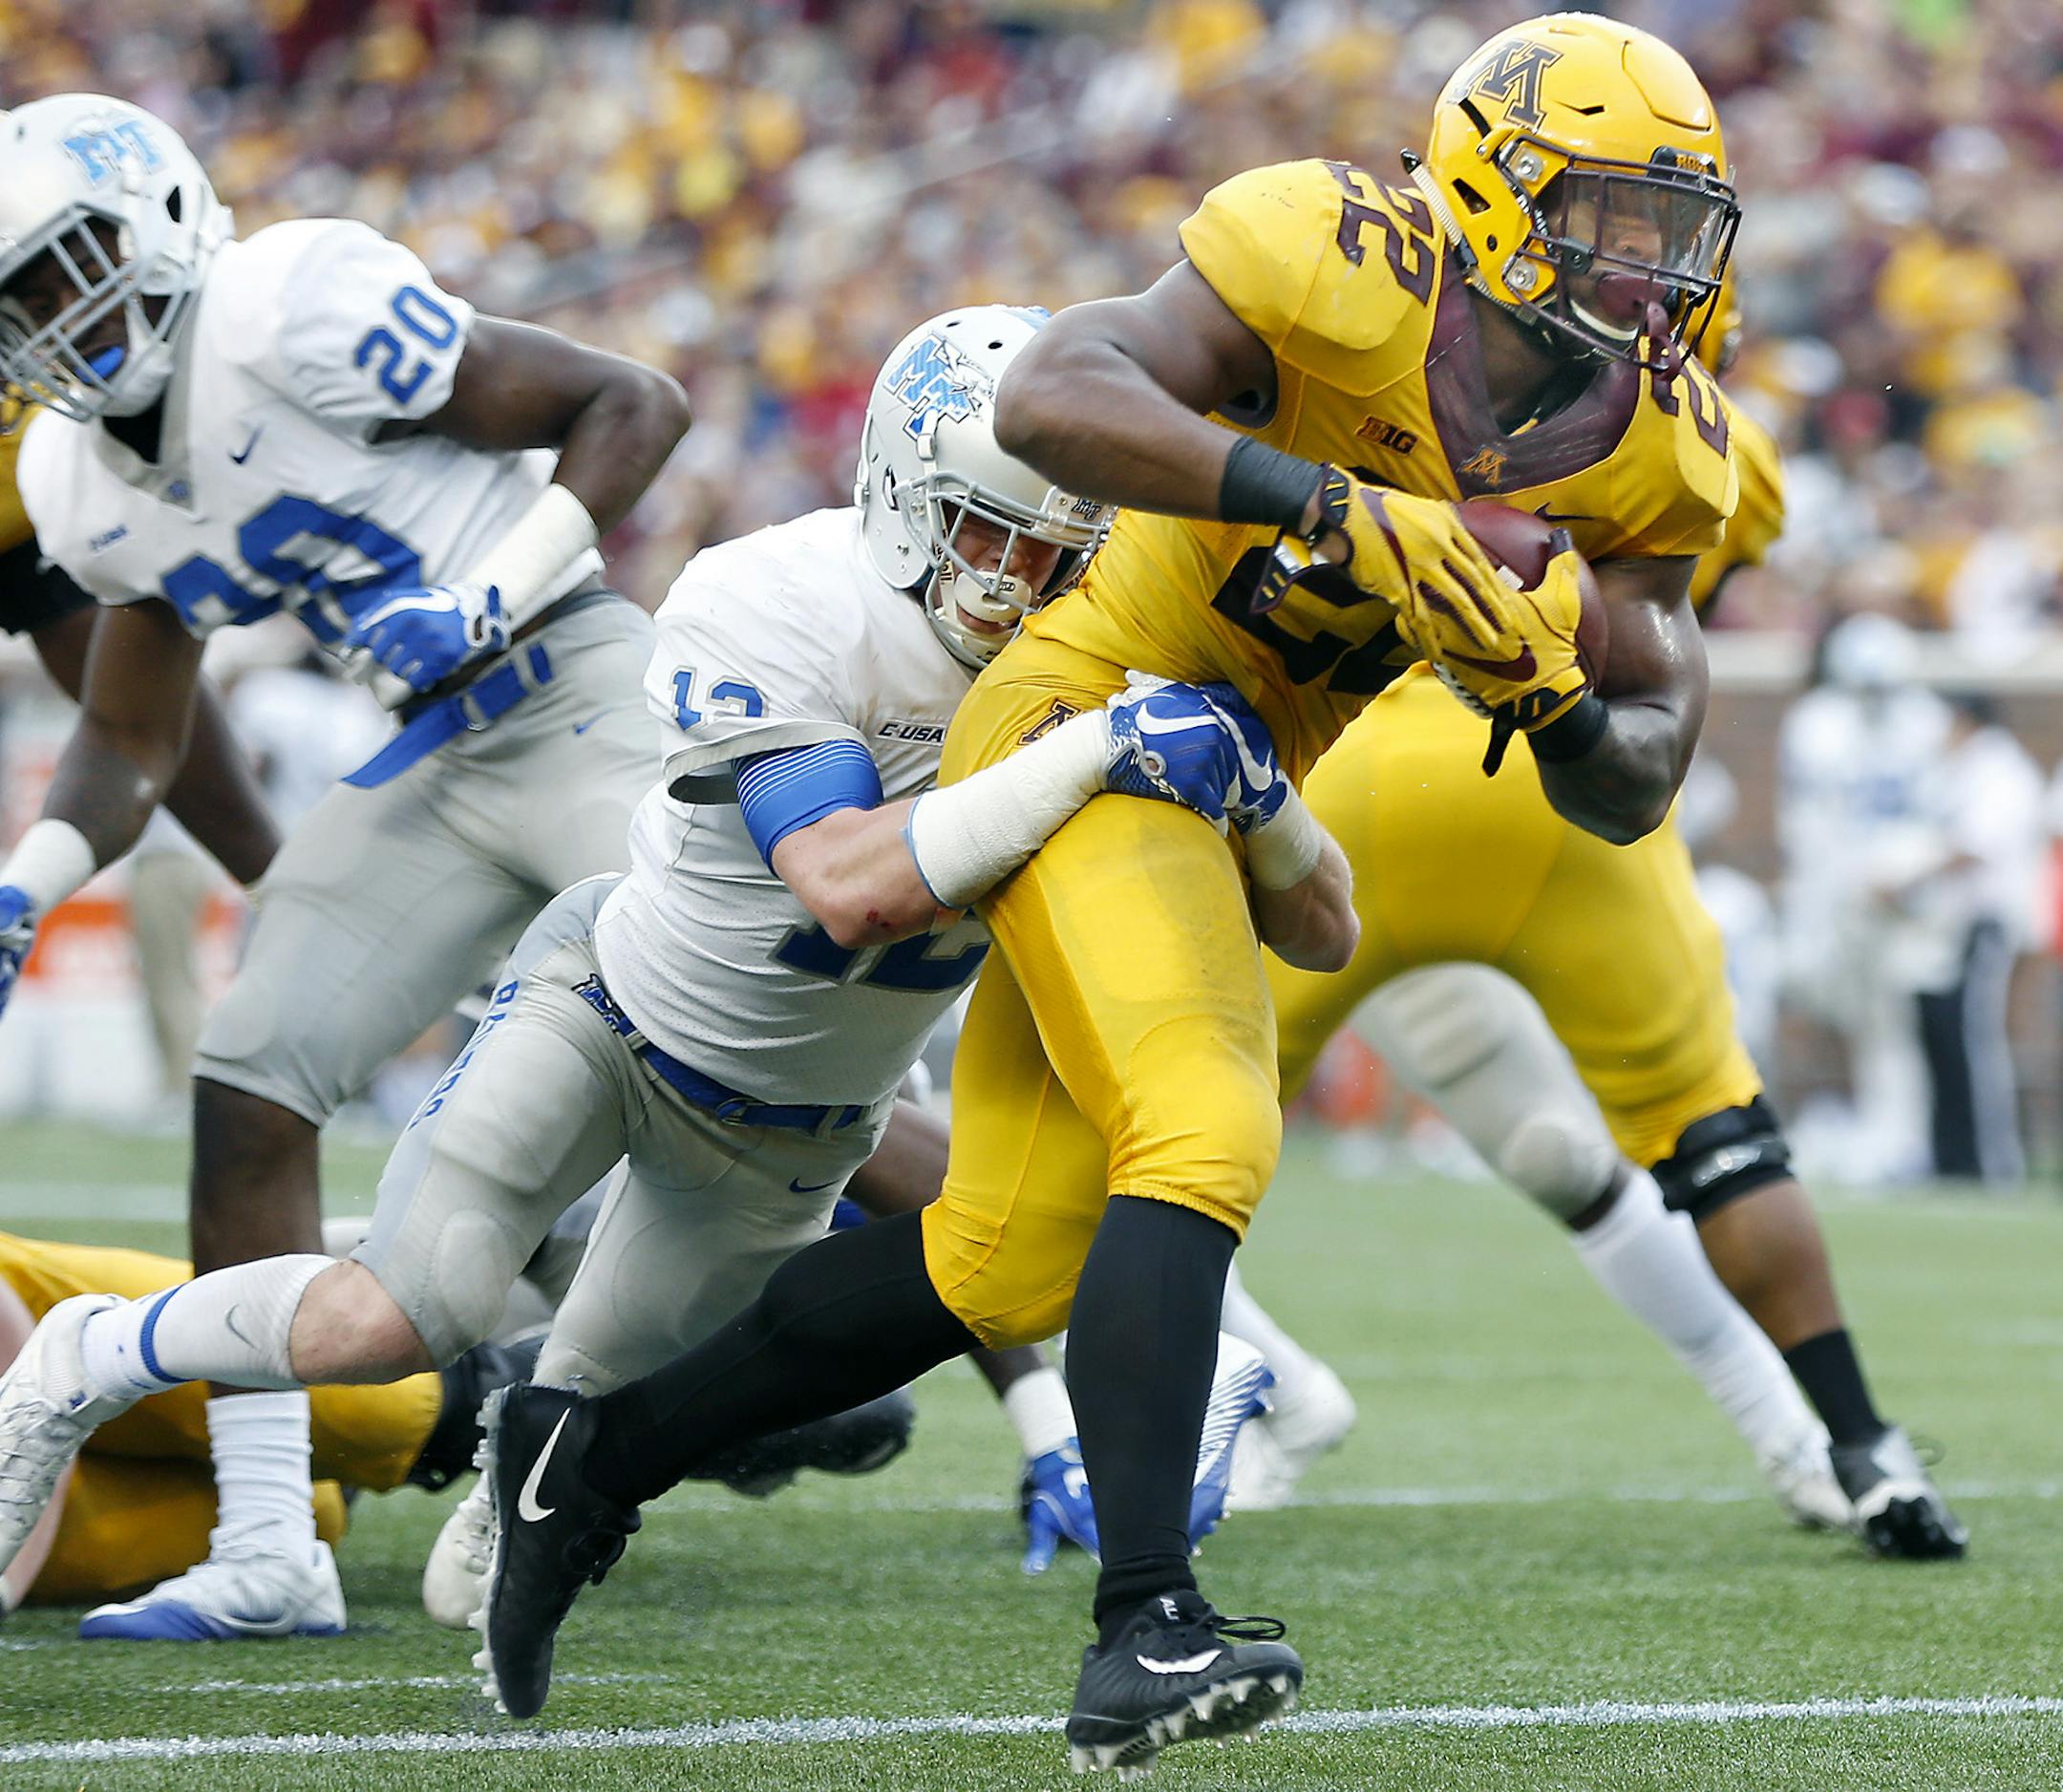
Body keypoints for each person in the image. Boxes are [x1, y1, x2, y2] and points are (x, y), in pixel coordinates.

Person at [469, 15, 1745, 1774]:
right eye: (1609, 214)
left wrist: (1548, 695)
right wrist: (1325, 505)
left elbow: (1643, 772)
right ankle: (1147, 1619)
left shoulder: (1659, 446)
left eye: (1672, 226)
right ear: (1496, 187)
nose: (1646, 264)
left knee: (1001, 1262)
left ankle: (583, 1457)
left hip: (1233, 782)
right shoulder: (1332, 250)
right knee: (1205, 1126)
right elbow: (1050, 395)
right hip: (1096, 710)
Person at [0, 307, 1293, 1652]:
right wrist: (1091, 758)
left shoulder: (1102, 652)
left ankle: (534, 1425)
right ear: (909, 499)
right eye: (987, 532)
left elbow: (1299, 921)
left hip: (791, 1131)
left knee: (597, 1441)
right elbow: (850, 889)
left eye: (1057, 550)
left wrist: (1261, 793)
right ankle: (110, 1384)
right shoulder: (789, 603)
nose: (1014, 582)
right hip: (612, 1012)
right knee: (383, 1298)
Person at [0, 92, 690, 1638]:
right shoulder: (72, 478)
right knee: (249, 1078)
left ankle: (1099, 1338)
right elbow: (129, 734)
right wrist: (31, 881)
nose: (64, 314)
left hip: (571, 685)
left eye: (78, 262)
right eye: (23, 297)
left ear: (164, 215)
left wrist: (491, 594)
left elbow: (633, 402)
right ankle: (268, 1547)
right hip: (425, 764)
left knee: (751, 1038)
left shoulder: (286, 302)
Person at [1261, 331, 1964, 1556]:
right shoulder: (1707, 436)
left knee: (1138, 1144)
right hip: (1566, 798)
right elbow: (1661, 635)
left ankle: (1203, 1408)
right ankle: (1847, 1443)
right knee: (1713, 1141)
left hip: (1366, 777)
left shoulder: (1383, 342)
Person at [0, 1227, 534, 1628]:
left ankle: (553, 1374)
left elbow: (36, 1362)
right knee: (312, 1513)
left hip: (30, 1340)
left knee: (375, 1407)